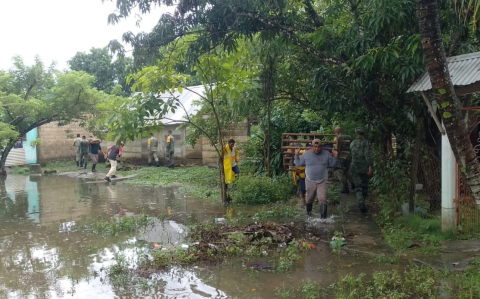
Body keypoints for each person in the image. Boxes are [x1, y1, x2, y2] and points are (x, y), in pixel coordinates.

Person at [295, 139, 338, 218]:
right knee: (309, 199)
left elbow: (333, 165)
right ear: (312, 146)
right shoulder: (306, 154)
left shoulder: (326, 154)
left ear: (321, 147)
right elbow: (298, 164)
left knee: (323, 199)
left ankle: (323, 220)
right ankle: (309, 216)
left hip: (322, 181)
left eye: (319, 147)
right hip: (310, 180)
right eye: (315, 147)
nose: (317, 149)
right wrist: (296, 155)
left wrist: (335, 156)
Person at [350, 128, 373, 214]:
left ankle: (361, 202)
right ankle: (363, 201)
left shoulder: (352, 143)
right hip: (364, 168)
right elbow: (367, 155)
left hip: (354, 167)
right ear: (364, 134)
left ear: (356, 134)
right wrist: (370, 166)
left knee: (358, 186)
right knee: (364, 186)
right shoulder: (366, 143)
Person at [334, 127, 352, 193]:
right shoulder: (349, 137)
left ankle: (345, 187)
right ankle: (353, 184)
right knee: (348, 170)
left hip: (341, 157)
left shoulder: (337, 138)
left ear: (337, 132)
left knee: (340, 171)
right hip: (349, 156)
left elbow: (336, 147)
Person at [289, 135, 306, 206]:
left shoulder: (291, 144)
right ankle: (302, 195)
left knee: (299, 180)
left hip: (296, 164)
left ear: (291, 138)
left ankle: (300, 195)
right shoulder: (300, 143)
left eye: (289, 138)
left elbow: (289, 154)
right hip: (302, 166)